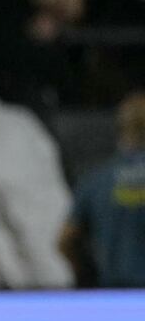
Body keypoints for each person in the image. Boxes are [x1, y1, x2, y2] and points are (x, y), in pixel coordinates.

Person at [58, 91, 145, 288]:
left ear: (122, 129)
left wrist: (86, 275)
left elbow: (66, 241)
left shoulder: (98, 180)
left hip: (114, 297)